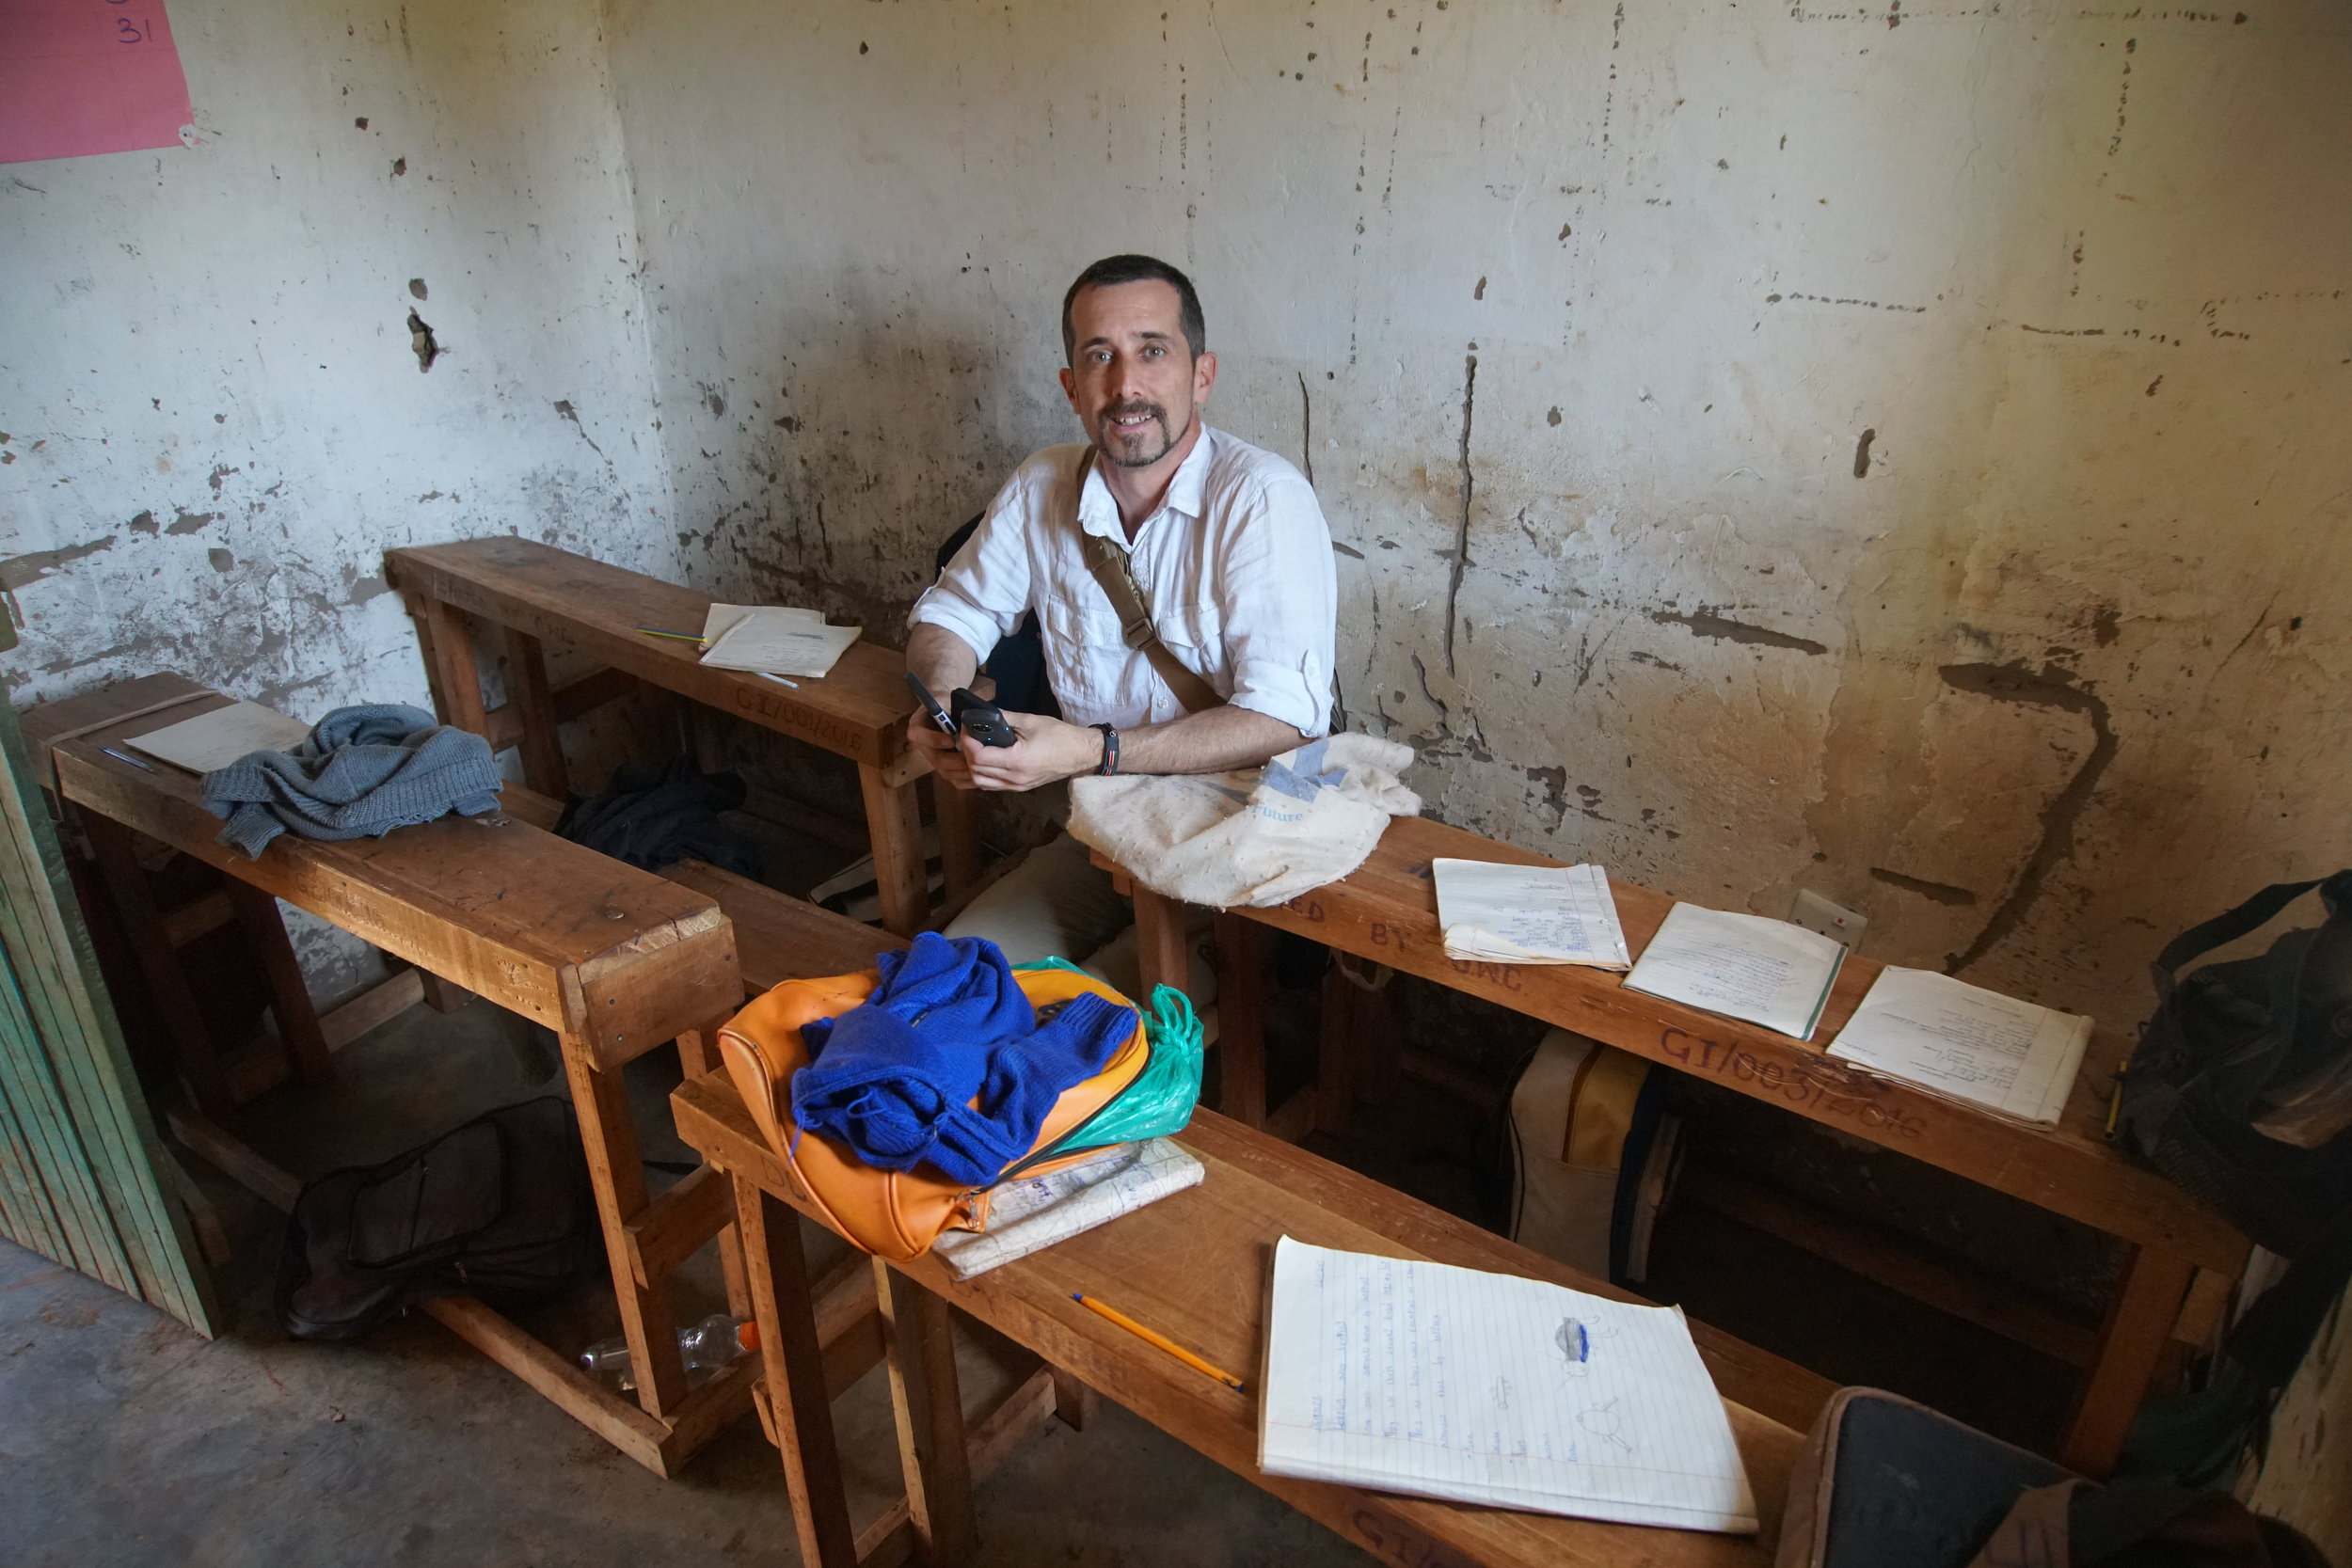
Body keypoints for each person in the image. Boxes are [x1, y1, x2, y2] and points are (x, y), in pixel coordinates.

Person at [904, 253, 1338, 997]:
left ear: (1202, 374)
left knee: (1088, 1027)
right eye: (1099, 356)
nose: (1126, 384)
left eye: (1152, 350)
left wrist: (1093, 749)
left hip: (1242, 848)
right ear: (1072, 386)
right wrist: (945, 706)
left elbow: (1289, 716)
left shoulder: (1263, 501)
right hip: (1110, 835)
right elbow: (952, 611)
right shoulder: (1044, 481)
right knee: (950, 981)